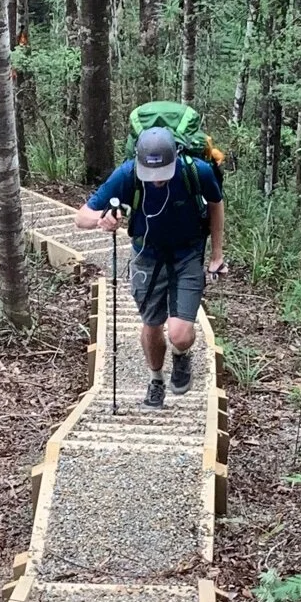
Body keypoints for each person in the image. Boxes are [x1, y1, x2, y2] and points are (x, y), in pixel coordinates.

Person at [75, 123, 227, 406]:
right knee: (152, 324)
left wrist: (216, 256)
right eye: (151, 174)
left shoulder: (197, 171)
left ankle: (181, 355)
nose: (157, 180)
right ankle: (155, 379)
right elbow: (81, 217)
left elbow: (216, 205)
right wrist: (101, 220)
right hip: (147, 254)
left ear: (176, 157)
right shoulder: (128, 173)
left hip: (188, 254)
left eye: (163, 173)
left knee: (180, 334)